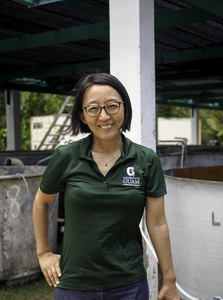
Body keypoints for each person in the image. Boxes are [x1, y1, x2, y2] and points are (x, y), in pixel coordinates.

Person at [33, 72, 180, 300]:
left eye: (112, 106)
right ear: (82, 115)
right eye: (93, 108)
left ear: (124, 108)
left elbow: (158, 223)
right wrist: (43, 253)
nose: (104, 116)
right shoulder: (66, 156)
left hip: (129, 285)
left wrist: (169, 279)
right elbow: (41, 203)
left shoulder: (146, 160)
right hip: (74, 284)